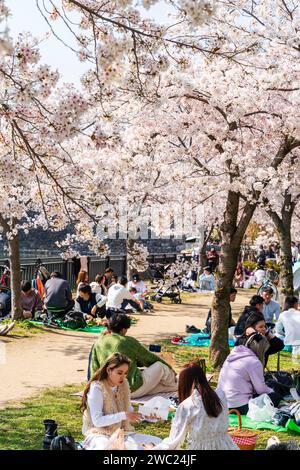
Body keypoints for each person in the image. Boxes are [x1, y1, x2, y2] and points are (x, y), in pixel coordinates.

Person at [81, 353, 162, 450]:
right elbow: (97, 421)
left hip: (123, 433)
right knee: (107, 448)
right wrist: (124, 415)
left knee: (158, 442)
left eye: (125, 373)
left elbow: (130, 411)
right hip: (99, 434)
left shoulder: (124, 386)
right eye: (119, 373)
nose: (123, 377)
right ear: (109, 370)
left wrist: (148, 415)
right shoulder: (97, 388)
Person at [150, 362, 238, 450]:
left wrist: (153, 449)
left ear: (184, 383)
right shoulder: (221, 395)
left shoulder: (187, 406)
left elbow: (173, 442)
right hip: (227, 446)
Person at [89, 313, 177, 398]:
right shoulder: (127, 341)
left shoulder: (98, 341)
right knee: (161, 366)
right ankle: (175, 383)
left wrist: (94, 388)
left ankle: (175, 386)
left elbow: (94, 367)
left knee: (160, 386)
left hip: (108, 389)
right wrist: (170, 368)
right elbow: (149, 359)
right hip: (129, 389)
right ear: (123, 329)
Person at [218, 333, 282, 415]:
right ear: (262, 350)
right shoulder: (254, 362)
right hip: (239, 405)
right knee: (275, 397)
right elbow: (261, 390)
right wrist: (272, 391)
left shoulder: (233, 355)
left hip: (221, 403)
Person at [276, 296, 300, 362]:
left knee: (277, 335)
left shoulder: (283, 314)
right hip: (296, 344)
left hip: (289, 345)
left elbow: (278, 330)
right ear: (295, 304)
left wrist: (286, 334)